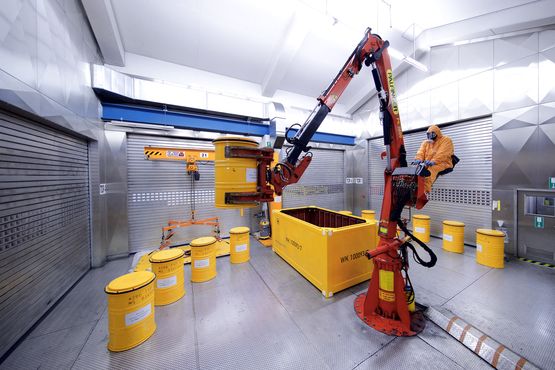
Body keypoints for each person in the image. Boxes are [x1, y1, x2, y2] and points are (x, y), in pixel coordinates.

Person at [413, 125, 454, 193]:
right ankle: (414, 189)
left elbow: (443, 154)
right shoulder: (426, 143)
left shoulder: (446, 140)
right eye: (428, 135)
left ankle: (424, 192)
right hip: (428, 163)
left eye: (432, 134)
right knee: (417, 170)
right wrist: (418, 159)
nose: (430, 137)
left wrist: (433, 161)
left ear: (437, 133)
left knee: (429, 172)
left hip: (443, 163)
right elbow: (421, 151)